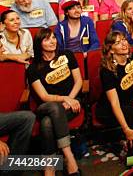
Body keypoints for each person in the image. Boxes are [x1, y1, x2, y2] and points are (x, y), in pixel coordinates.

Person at [26, 28, 82, 175]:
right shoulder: (33, 68)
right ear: (39, 44)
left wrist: (71, 98)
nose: (52, 41)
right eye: (47, 39)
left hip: (71, 102)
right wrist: (65, 99)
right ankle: (69, 158)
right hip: (46, 106)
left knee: (47, 123)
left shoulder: (67, 55)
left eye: (53, 38)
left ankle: (49, 167)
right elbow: (44, 96)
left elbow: (78, 82)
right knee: (54, 108)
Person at [97, 31, 133, 156]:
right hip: (111, 108)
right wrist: (126, 129)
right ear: (111, 50)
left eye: (124, 40)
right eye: (118, 43)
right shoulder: (107, 70)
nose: (124, 44)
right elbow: (114, 103)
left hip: (130, 100)